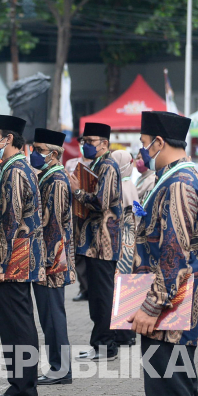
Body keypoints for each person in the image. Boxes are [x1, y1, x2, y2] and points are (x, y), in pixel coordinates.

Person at [130, 111, 198, 396]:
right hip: (171, 301)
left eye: (145, 143)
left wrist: (150, 307)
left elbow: (174, 252)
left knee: (170, 390)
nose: (142, 151)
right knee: (172, 389)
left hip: (170, 307)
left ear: (159, 142)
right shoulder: (174, 178)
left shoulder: (178, 182)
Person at [0, 114, 46, 396]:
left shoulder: (14, 171)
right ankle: (24, 384)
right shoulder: (18, 167)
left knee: (16, 324)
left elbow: (10, 220)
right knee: (20, 321)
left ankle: (22, 388)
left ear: (8, 139)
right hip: (21, 256)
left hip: (13, 260)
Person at [69, 122, 122, 360]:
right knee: (97, 296)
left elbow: (103, 202)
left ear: (104, 143)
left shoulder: (108, 166)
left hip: (103, 243)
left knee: (103, 297)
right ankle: (98, 342)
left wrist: (77, 191)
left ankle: (106, 345)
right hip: (93, 243)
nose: (86, 145)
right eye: (84, 141)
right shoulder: (96, 165)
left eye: (90, 141)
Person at [30, 128, 75, 385]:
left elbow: (54, 224)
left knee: (53, 316)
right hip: (49, 258)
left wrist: (47, 262)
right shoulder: (47, 176)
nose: (34, 154)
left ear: (54, 154)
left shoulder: (56, 180)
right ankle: (58, 366)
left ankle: (61, 369)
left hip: (52, 259)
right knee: (49, 316)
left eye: (39, 150)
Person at [112, 149, 138, 346]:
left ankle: (122, 333)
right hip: (131, 241)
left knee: (120, 287)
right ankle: (128, 332)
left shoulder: (120, 186)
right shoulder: (131, 184)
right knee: (128, 286)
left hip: (122, 241)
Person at [65, 155, 90, 302]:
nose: (84, 145)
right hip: (75, 213)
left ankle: (90, 288)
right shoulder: (72, 163)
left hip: (90, 212)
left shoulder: (99, 164)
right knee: (78, 254)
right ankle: (84, 288)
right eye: (82, 142)